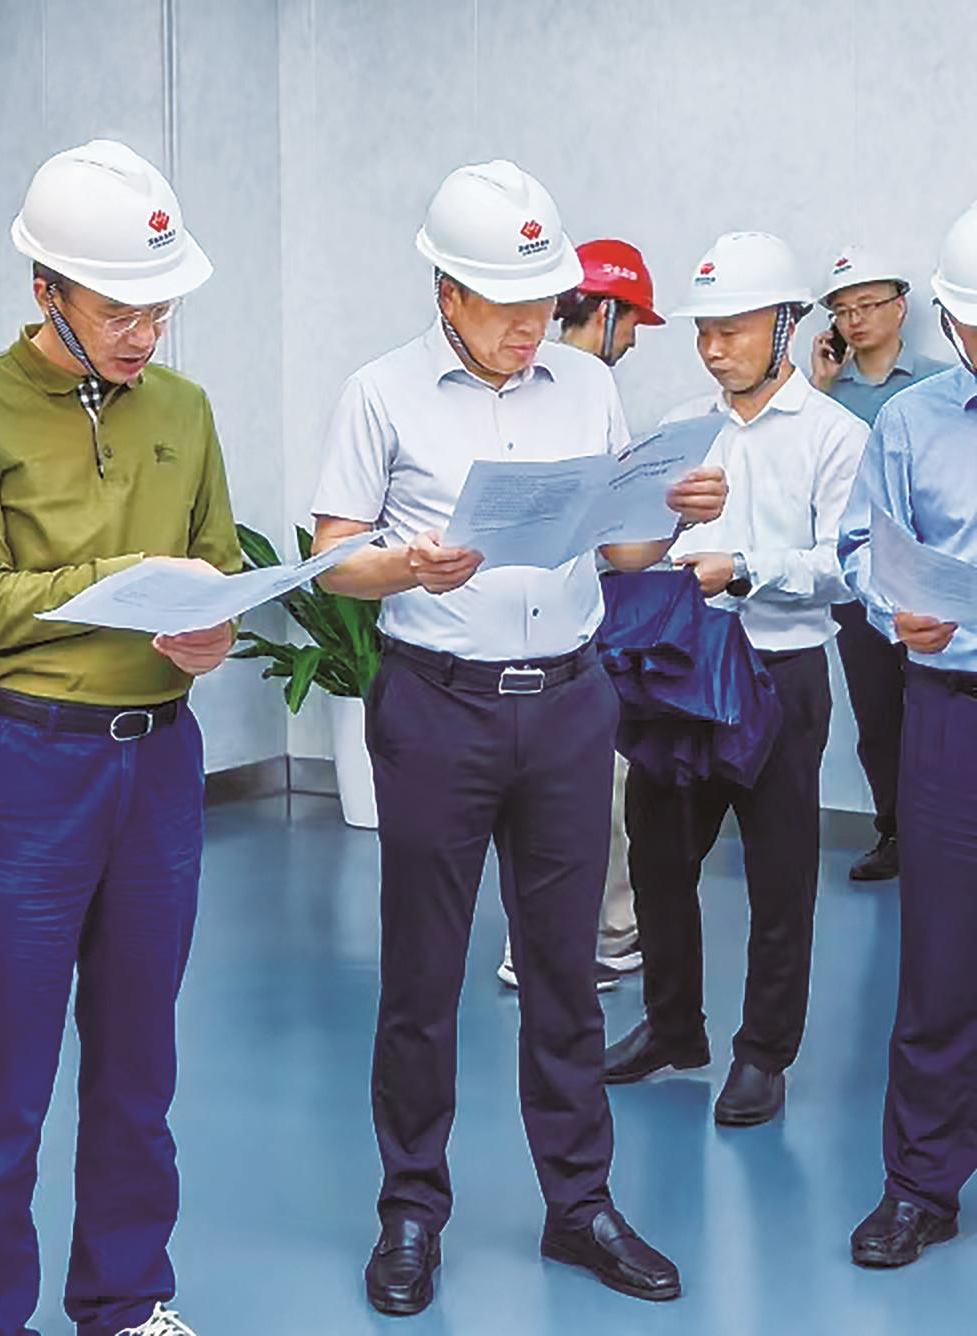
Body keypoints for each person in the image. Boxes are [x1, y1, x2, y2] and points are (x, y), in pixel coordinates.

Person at [312, 160, 728, 1313]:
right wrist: (404, 565)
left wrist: (672, 511)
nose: (529, 326)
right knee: (422, 974)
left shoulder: (585, 386)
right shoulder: (379, 393)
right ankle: (410, 1208)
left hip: (569, 704)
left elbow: (621, 551)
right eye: (506, 305)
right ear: (446, 292)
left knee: (565, 973)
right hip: (435, 704)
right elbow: (332, 555)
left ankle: (578, 1204)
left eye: (543, 302)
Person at [0, 140, 235, 1336]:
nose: (144, 333)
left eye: (160, 309)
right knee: (1, 1082)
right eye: (119, 310)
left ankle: (125, 1299)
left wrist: (207, 629)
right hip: (25, 763)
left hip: (159, 762)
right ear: (45, 287)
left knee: (139, 1065)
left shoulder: (186, 411)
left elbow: (216, 566)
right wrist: (127, 575)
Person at [603, 232, 869, 1130]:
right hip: (681, 671)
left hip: (778, 674)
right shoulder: (683, 426)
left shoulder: (836, 437)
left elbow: (848, 566)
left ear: (786, 325)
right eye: (703, 332)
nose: (713, 350)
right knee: (657, 856)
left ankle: (763, 1055)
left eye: (733, 330)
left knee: (780, 874)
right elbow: (635, 541)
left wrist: (745, 568)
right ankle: (673, 1026)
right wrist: (661, 532)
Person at [839, 202, 977, 1269]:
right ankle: (921, 1185)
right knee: (939, 958)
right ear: (950, 317)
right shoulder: (909, 423)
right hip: (951, 710)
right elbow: (860, 546)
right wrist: (895, 611)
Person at [498, 238, 668, 990]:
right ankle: (593, 939)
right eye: (630, 322)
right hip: (564, 643)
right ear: (602, 313)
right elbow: (609, 535)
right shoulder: (576, 390)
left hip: (552, 633)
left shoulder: (556, 391)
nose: (632, 340)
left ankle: (557, 940)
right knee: (594, 797)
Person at [809, 248, 945, 882]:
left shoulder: (939, 385)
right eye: (842, 310)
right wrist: (817, 386)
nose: (855, 319)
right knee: (877, 716)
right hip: (858, 579)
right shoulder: (825, 396)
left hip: (932, 576)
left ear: (901, 307)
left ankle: (944, 833)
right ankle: (894, 833)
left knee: (940, 713)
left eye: (868, 304)